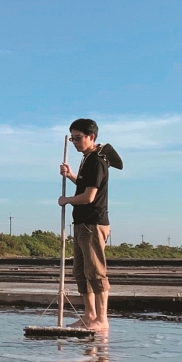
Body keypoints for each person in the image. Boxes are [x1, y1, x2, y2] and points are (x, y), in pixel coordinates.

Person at [58, 118, 113, 332]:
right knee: (80, 271)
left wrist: (67, 200)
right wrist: (71, 175)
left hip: (93, 222)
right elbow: (85, 186)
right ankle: (89, 315)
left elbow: (89, 196)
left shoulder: (96, 161)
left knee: (96, 271)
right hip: (81, 222)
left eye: (78, 138)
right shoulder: (86, 159)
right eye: (72, 138)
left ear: (92, 137)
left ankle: (102, 318)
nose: (75, 142)